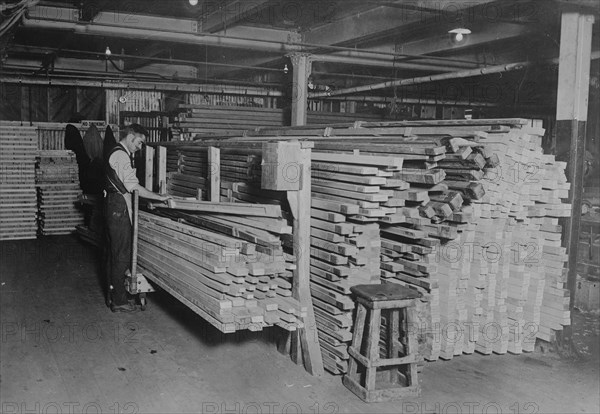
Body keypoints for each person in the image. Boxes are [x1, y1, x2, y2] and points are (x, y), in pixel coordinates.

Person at [104, 124, 169, 312]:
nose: (140, 147)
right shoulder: (120, 154)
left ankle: (114, 295)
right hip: (118, 207)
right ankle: (119, 301)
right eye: (139, 142)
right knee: (121, 254)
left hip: (115, 205)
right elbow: (133, 186)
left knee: (115, 252)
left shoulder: (119, 152)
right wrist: (159, 197)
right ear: (131, 137)